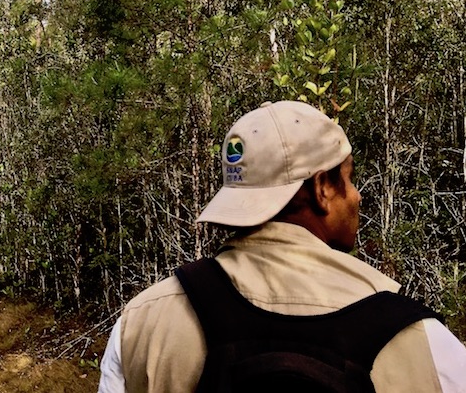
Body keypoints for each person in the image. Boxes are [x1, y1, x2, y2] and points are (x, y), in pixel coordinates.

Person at [98, 100, 466, 393]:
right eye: (350, 178)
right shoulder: (419, 340)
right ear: (322, 188)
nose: (357, 195)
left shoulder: (142, 322)